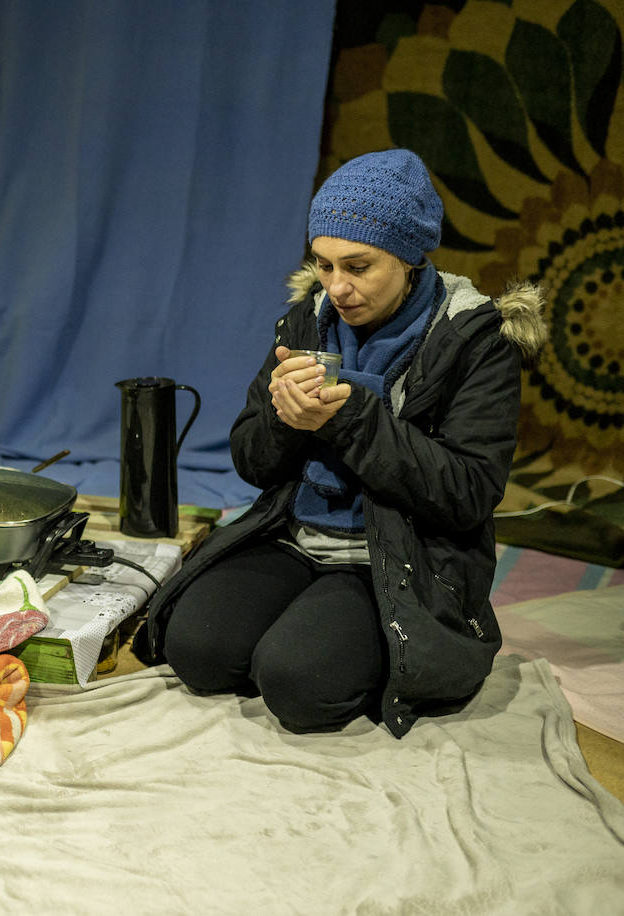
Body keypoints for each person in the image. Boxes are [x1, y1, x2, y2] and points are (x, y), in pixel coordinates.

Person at [131, 149, 546, 737]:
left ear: (409, 257)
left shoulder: (473, 341)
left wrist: (351, 420)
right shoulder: (308, 320)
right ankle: (313, 627)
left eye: (358, 266)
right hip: (294, 535)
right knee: (196, 650)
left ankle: (339, 643)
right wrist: (283, 419)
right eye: (323, 264)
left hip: (402, 558)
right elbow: (251, 460)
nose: (338, 287)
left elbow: (468, 494)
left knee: (299, 685)